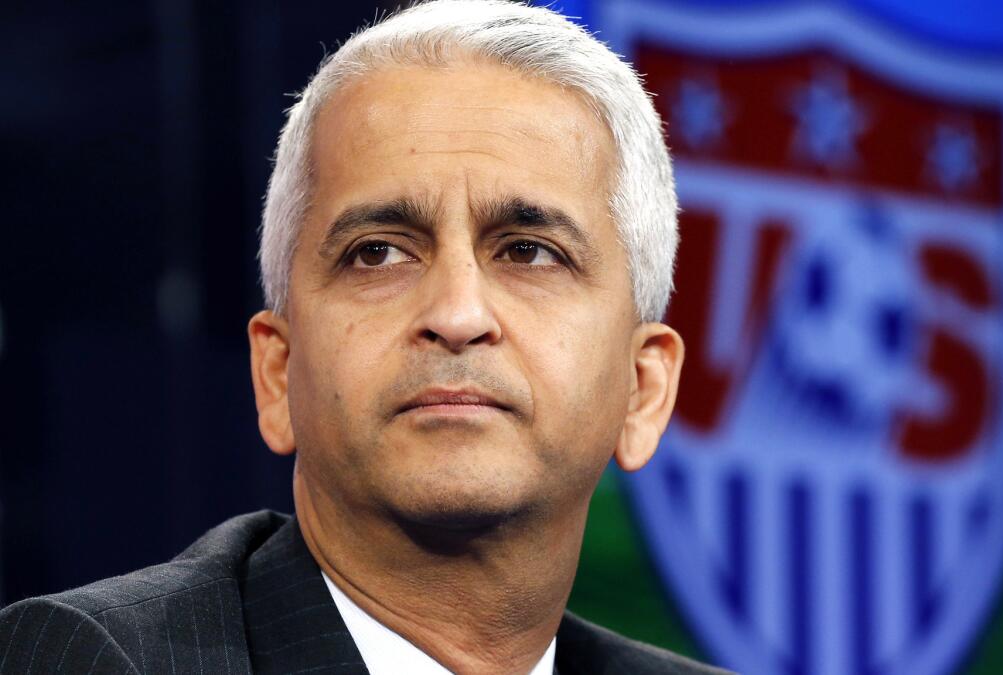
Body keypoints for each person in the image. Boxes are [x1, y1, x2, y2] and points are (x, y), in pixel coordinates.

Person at [0, 1, 727, 673]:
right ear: (277, 374)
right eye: (377, 251)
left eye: (528, 250)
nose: (457, 312)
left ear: (644, 389)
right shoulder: (94, 658)